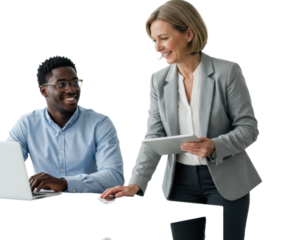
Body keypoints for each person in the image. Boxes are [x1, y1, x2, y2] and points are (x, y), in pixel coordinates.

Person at [99, 0, 263, 239]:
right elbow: (153, 138)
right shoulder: (158, 81)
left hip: (227, 180)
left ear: (188, 33)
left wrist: (215, 145)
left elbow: (249, 128)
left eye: (163, 38)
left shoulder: (228, 72)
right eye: (154, 41)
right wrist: (135, 183)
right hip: (180, 182)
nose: (157, 48)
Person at [5, 55, 125, 194]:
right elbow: (6, 166)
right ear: (43, 91)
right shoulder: (26, 124)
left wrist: (64, 183)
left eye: (75, 82)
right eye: (61, 84)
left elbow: (115, 178)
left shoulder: (100, 123)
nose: (71, 90)